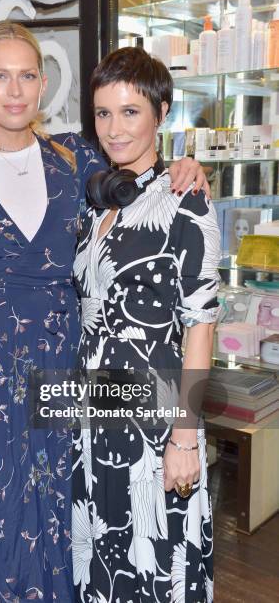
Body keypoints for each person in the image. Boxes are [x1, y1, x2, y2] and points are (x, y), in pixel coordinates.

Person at [0, 21, 210, 602]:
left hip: (63, 374)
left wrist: (186, 163)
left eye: (26, 76)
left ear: (43, 83)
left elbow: (138, 141)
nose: (14, 90)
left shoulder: (74, 159)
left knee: (56, 517)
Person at [71, 46, 220, 603]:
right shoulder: (96, 205)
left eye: (130, 112)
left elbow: (200, 324)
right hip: (93, 412)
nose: (114, 128)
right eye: (104, 113)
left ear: (161, 114)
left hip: (158, 420)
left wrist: (185, 434)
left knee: (157, 562)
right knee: (104, 565)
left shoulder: (186, 202)